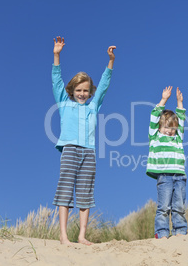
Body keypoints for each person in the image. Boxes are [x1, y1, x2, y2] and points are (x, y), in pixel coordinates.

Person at [51, 36, 116, 245]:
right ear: (72, 91)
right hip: (69, 149)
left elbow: (104, 85)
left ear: (90, 93)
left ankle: (81, 236)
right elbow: (56, 80)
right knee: (65, 189)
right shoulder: (63, 102)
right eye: (78, 90)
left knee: (86, 193)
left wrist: (111, 62)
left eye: (86, 90)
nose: (82, 93)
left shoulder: (92, 106)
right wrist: (56, 55)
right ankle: (63, 236)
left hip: (89, 152)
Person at [146, 86, 188, 239]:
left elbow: (182, 120)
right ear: (159, 127)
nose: (170, 130)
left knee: (179, 206)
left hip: (180, 175)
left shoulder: (178, 138)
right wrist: (163, 100)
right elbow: (154, 116)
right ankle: (162, 232)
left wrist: (179, 103)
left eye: (173, 128)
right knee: (164, 206)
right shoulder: (155, 136)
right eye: (166, 127)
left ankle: (180, 231)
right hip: (164, 176)